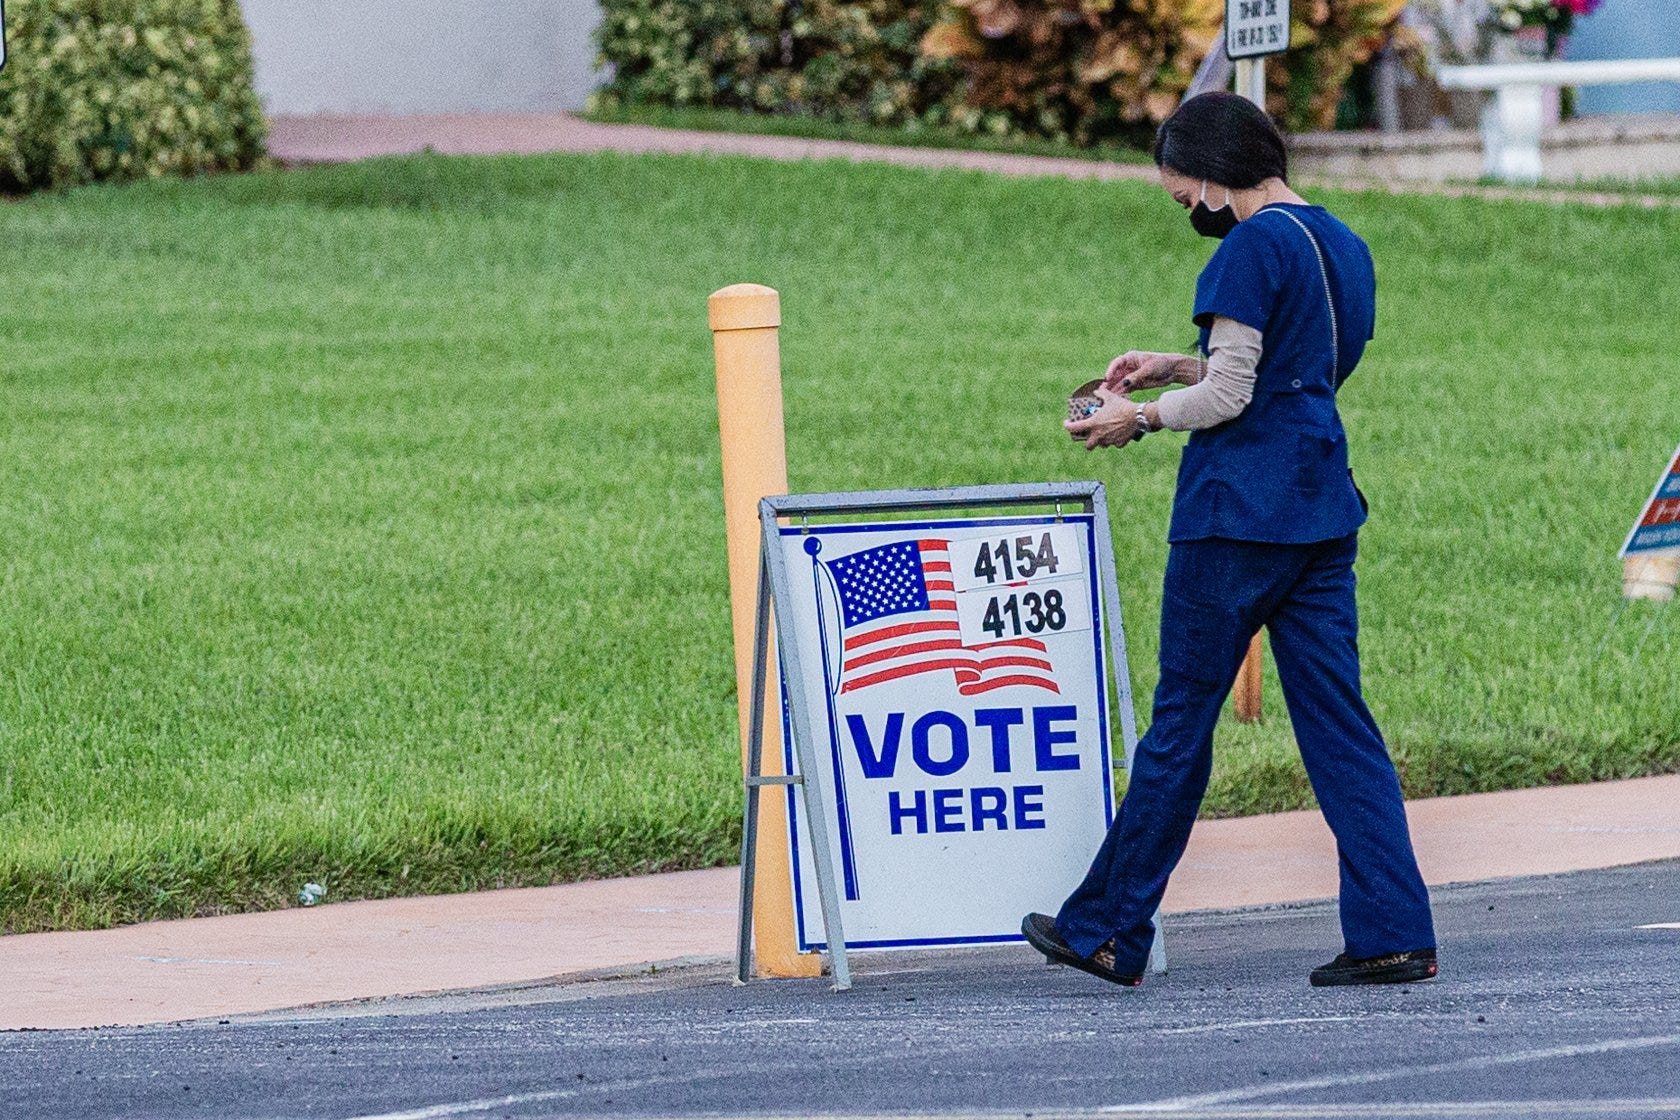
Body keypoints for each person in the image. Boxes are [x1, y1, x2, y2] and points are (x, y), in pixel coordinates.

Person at [1021, 92, 1438, 988]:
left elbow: (1232, 398)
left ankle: (1107, 928)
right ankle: (1394, 932)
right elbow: (1300, 365)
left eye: (1184, 198)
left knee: (1179, 726)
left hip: (1235, 517)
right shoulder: (1341, 243)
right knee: (1342, 729)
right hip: (1322, 506)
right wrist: (1177, 362)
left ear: (1213, 175)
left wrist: (1138, 416)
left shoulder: (1250, 246)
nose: (1189, 212)